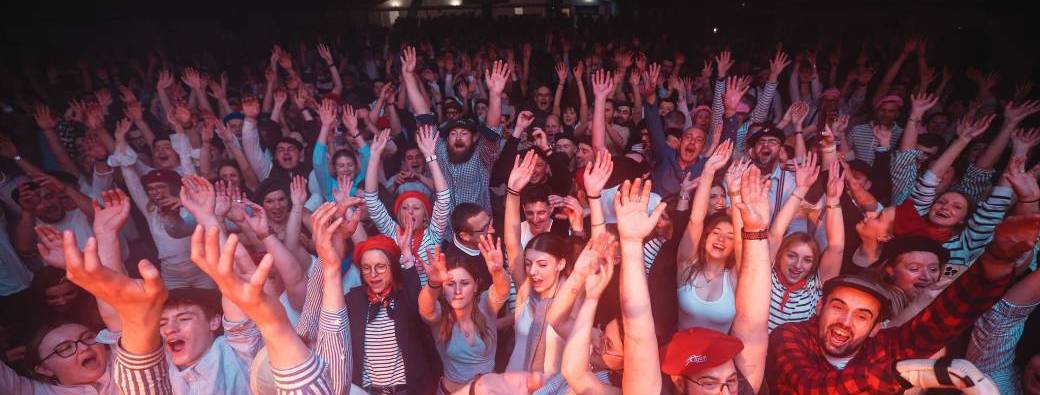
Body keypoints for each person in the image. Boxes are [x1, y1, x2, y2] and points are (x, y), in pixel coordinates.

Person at [766, 213, 1040, 393]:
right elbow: (810, 387)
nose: (845, 322)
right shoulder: (790, 335)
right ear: (819, 308)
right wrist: (901, 374)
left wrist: (998, 258)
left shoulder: (880, 347)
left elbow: (944, 320)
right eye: (838, 307)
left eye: (862, 316)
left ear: (875, 328)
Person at [503, 150, 574, 375]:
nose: (533, 271)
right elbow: (512, 245)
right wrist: (513, 192)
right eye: (528, 264)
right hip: (515, 383)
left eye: (542, 264)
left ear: (560, 264)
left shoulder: (571, 296)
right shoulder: (526, 292)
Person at [345, 235, 439, 394]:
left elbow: (420, 302)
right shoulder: (353, 300)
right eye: (366, 268)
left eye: (380, 266)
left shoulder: (406, 296)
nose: (373, 274)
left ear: (393, 268)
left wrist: (407, 257)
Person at [418, 236, 510, 394]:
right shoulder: (441, 315)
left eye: (465, 283)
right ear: (443, 288)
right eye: (450, 284)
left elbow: (502, 290)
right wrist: (433, 284)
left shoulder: (485, 306)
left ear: (476, 286)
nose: (457, 291)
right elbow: (425, 309)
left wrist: (498, 271)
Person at [766, 154, 846, 331]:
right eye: (791, 256)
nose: (798, 265)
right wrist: (801, 189)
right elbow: (776, 234)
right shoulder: (767, 274)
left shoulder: (815, 287)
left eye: (807, 260)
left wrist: (833, 199)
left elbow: (836, 247)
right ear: (780, 255)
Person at [365, 125, 451, 287]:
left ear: (425, 216)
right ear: (398, 215)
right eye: (404, 208)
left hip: (430, 296)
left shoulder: (433, 234)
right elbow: (371, 201)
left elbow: (444, 198)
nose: (410, 211)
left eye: (416, 208)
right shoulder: (393, 232)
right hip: (401, 297)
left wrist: (430, 156)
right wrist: (374, 157)